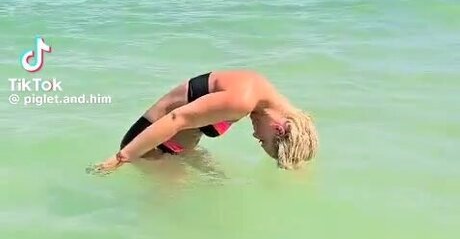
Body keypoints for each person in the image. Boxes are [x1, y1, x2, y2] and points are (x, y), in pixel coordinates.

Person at [88, 69, 318, 174]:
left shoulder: (266, 97)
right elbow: (176, 118)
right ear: (278, 129)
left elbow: (298, 127)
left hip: (178, 152)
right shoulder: (243, 100)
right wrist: (122, 157)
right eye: (262, 141)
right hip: (150, 149)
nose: (255, 136)